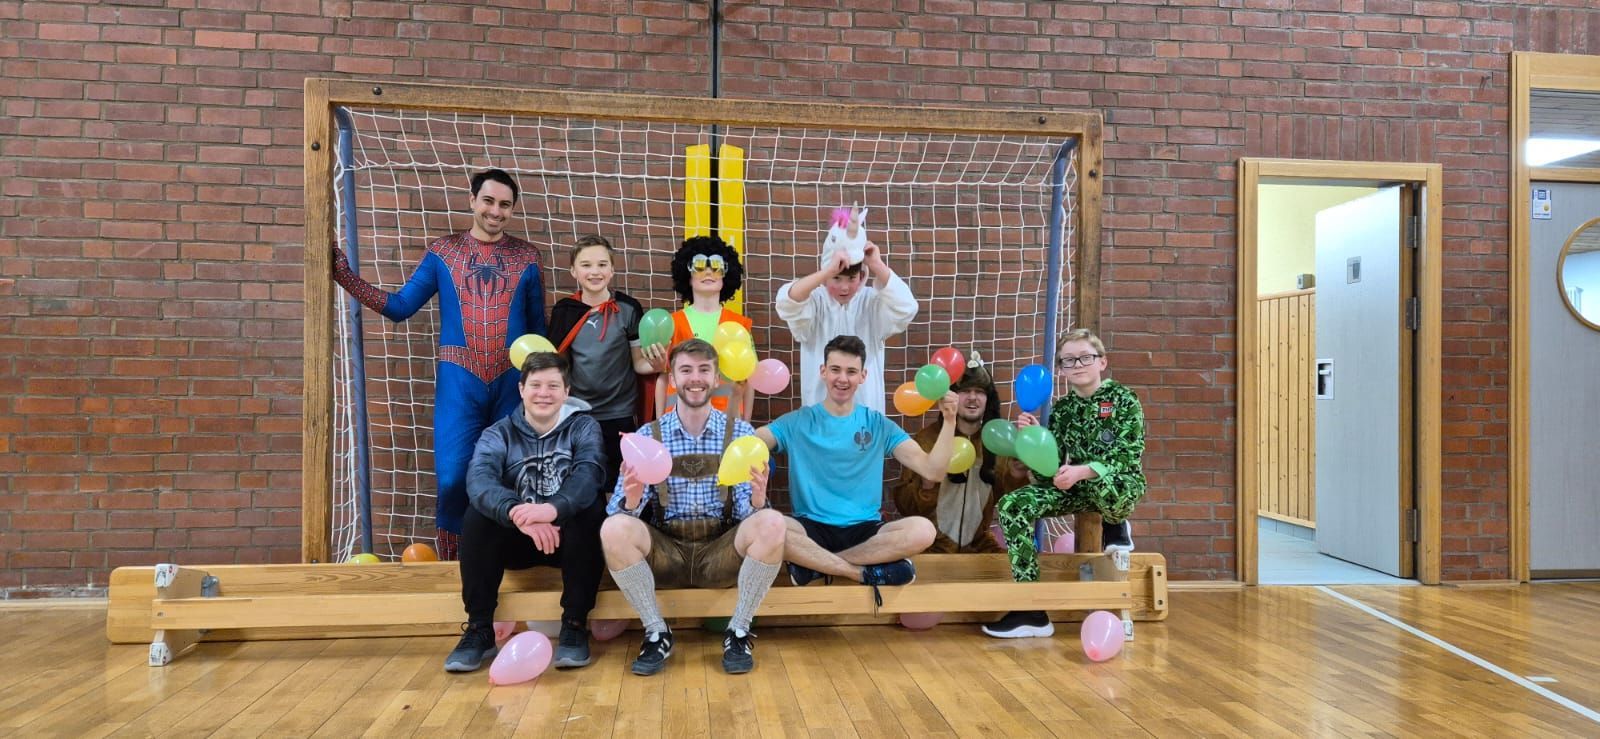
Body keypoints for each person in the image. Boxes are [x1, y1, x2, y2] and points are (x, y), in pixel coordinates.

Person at [332, 168, 546, 560]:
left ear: (513, 209)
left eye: (504, 205)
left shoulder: (528, 257)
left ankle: (506, 564)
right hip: (458, 382)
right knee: (451, 480)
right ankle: (452, 568)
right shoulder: (443, 252)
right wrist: (345, 277)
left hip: (512, 385)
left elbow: (538, 333)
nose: (495, 211)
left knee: (513, 478)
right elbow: (401, 307)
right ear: (472, 200)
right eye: (488, 201)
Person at [601, 339, 786, 676]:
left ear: (716, 379)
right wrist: (632, 500)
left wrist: (758, 502)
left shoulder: (740, 434)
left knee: (773, 522)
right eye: (686, 370)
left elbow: (749, 518)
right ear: (672, 379)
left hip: (720, 553)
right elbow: (616, 515)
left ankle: (738, 631)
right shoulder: (648, 436)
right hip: (666, 554)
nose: (695, 378)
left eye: (704, 370)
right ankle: (656, 631)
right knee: (613, 529)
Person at [445, 352, 606, 673]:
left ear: (566, 392)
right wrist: (517, 512)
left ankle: (574, 624)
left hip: (567, 539)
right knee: (477, 516)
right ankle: (479, 628)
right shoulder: (498, 433)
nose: (544, 393)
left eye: (553, 386)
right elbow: (479, 480)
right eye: (535, 385)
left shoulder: (583, 427)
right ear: (521, 389)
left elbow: (589, 473)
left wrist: (551, 510)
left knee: (591, 510)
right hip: (517, 539)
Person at [752, 335, 947, 597]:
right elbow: (751, 442)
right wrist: (735, 400)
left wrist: (950, 420)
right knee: (765, 526)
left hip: (865, 531)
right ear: (823, 371)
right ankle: (857, 572)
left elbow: (933, 471)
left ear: (863, 376)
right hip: (809, 529)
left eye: (851, 371)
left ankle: (816, 566)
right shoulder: (796, 422)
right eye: (835, 369)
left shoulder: (878, 424)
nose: (842, 378)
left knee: (923, 531)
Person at [983, 328, 1147, 639]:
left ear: (1102, 362)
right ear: (1061, 369)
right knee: (1012, 505)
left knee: (1109, 483)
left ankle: (1116, 524)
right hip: (1074, 488)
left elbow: (1127, 456)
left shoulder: (1123, 399)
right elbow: (1052, 468)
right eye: (1068, 360)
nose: (1077, 364)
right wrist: (1033, 440)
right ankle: (1030, 609)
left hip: (1115, 486)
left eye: (1085, 357)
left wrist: (1084, 471)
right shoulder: (1062, 410)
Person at [547, 234, 662, 497]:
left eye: (602, 264)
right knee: (584, 482)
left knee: (619, 483)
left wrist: (658, 365)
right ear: (573, 271)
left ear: (612, 270)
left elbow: (639, 364)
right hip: (579, 414)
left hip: (620, 413)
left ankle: (617, 524)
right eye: (586, 265)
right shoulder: (565, 310)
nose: (594, 271)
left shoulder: (629, 309)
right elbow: (557, 367)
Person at [774, 205, 917, 414]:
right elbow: (786, 302)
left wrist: (876, 264)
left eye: (851, 279)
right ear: (826, 274)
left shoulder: (872, 302)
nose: (844, 287)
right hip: (819, 415)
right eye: (836, 278)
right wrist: (827, 271)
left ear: (862, 275)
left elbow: (907, 308)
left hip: (866, 416)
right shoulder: (814, 301)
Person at [891, 351, 1028, 553]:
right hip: (932, 546)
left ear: (988, 399)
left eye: (980, 391)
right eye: (965, 391)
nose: (972, 397)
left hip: (979, 545)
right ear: (951, 395)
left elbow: (1013, 502)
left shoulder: (996, 441)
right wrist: (927, 486)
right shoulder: (927, 439)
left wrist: (1017, 476)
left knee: (1016, 569)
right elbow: (904, 506)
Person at [655, 235, 756, 420]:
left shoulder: (740, 325)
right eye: (700, 266)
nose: (708, 272)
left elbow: (749, 381)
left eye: (716, 266)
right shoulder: (672, 323)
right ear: (688, 275)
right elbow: (663, 377)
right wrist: (659, 424)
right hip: (678, 423)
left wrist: (746, 425)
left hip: (726, 422)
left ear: (725, 275)